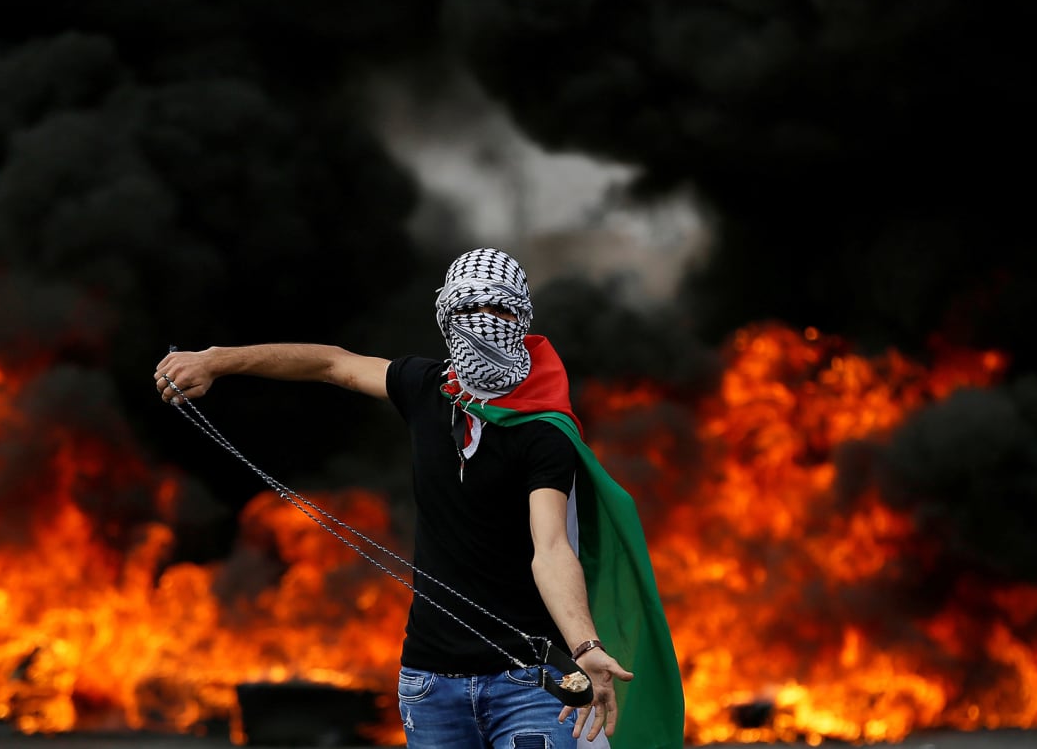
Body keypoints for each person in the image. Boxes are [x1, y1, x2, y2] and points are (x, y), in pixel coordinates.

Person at [154, 248, 684, 748]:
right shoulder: (426, 388)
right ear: (446, 317)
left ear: (522, 318)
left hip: (531, 683)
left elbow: (550, 549)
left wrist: (586, 646)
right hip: (430, 686)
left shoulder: (542, 431)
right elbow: (332, 364)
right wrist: (217, 360)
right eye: (469, 309)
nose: (484, 322)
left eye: (499, 309)